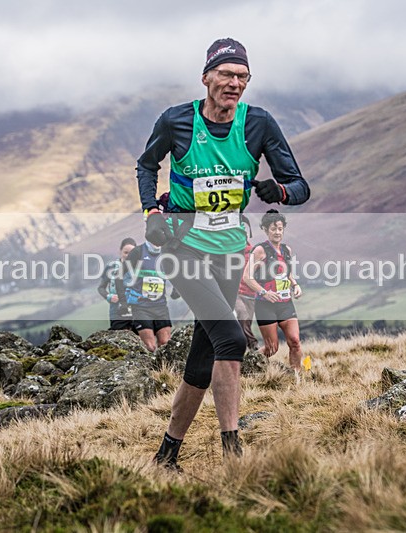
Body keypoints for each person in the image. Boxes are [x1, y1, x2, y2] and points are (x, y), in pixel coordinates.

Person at [137, 37, 310, 469]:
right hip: (181, 248)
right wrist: (152, 210)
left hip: (229, 253)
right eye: (227, 74)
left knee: (201, 360)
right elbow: (147, 164)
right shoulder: (177, 121)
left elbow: (300, 186)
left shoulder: (259, 125)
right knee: (232, 338)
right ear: (207, 78)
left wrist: (281, 190)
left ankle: (165, 456)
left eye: (242, 77)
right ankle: (234, 455)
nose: (235, 83)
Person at [243, 210, 303, 378]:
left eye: (280, 228)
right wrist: (264, 292)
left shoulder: (286, 250)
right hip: (265, 305)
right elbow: (247, 277)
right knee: (272, 349)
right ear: (265, 230)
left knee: (295, 342)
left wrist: (295, 285)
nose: (277, 232)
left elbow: (286, 273)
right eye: (273, 229)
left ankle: (296, 379)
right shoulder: (260, 250)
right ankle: (247, 366)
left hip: (285, 303)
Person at [121, 241, 180, 352]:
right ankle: (150, 368)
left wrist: (177, 290)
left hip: (160, 306)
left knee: (165, 344)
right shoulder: (138, 252)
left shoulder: (167, 254)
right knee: (150, 346)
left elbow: (177, 274)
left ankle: (164, 369)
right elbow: (119, 275)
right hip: (141, 306)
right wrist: (123, 301)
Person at [97, 238, 137, 331]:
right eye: (125, 252)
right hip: (117, 311)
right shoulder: (112, 266)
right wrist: (109, 297)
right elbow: (101, 288)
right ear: (120, 251)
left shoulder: (141, 268)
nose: (128, 256)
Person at [234, 240, 259, 350]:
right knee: (242, 314)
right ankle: (253, 344)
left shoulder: (255, 253)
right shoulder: (230, 253)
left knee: (246, 323)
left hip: (250, 294)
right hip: (236, 293)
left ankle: (241, 348)